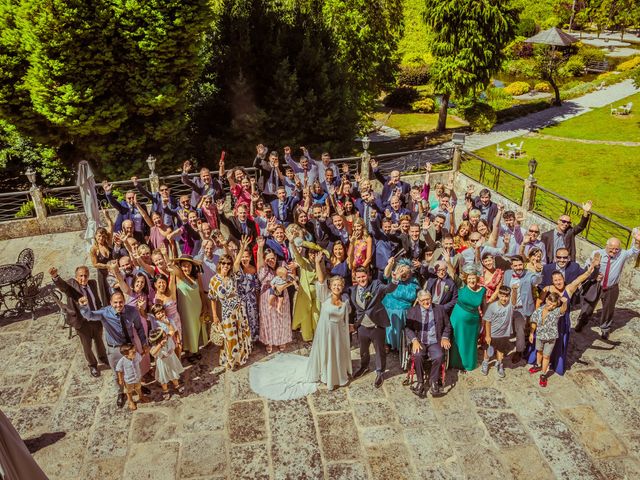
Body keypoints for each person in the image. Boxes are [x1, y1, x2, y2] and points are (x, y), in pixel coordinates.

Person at [79, 290, 148, 408]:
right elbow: (89, 316)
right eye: (115, 302)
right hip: (114, 349)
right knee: (117, 373)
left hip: (129, 347)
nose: (118, 305)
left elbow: (139, 328)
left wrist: (144, 343)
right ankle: (121, 393)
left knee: (134, 368)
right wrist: (84, 307)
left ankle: (137, 387)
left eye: (121, 302)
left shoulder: (132, 311)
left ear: (124, 302)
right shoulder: (105, 313)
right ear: (110, 303)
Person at [532, 257, 598, 375]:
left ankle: (554, 363)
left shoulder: (569, 288)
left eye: (560, 279)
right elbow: (538, 301)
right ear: (552, 281)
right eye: (555, 280)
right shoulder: (548, 289)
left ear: (563, 279)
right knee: (541, 345)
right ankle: (539, 363)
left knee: (558, 342)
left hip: (562, 321)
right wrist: (538, 316)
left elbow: (579, 279)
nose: (558, 282)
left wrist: (589, 270)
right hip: (547, 321)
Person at [575, 231, 640, 339]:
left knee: (608, 309)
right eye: (612, 248)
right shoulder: (597, 253)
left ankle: (605, 328)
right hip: (596, 285)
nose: (614, 251)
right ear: (606, 246)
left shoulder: (622, 254)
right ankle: (581, 322)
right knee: (588, 305)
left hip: (612, 287)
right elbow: (586, 268)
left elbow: (634, 251)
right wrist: (594, 276)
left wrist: (637, 240)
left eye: (617, 249)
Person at [50, 266, 108, 377]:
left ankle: (103, 358)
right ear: (76, 277)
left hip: (95, 318)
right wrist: (55, 277)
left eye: (85, 275)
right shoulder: (72, 286)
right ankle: (92, 365)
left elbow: (96, 299)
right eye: (81, 276)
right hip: (82, 322)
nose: (83, 278)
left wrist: (101, 313)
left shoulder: (93, 283)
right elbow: (63, 286)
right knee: (87, 346)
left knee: (99, 341)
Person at [350, 263, 400, 388]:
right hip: (362, 326)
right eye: (359, 277)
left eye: (363, 276)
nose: (362, 279)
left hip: (376, 325)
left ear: (368, 275)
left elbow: (388, 289)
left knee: (379, 351)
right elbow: (355, 309)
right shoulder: (353, 290)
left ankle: (380, 372)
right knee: (363, 350)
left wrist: (394, 280)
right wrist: (354, 324)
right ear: (355, 278)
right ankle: (364, 366)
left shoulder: (376, 285)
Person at [208, 246, 252, 369]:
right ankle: (230, 360)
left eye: (228, 263)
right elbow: (212, 299)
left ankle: (240, 358)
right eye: (224, 263)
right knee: (229, 337)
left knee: (240, 334)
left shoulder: (233, 276)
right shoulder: (214, 280)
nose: (226, 266)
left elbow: (237, 263)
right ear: (220, 264)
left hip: (239, 309)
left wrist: (242, 249)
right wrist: (215, 316)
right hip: (227, 313)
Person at [405, 290, 452, 397]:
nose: (426, 302)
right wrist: (414, 340)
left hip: (434, 341)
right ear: (418, 301)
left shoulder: (439, 309)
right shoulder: (412, 311)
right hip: (420, 341)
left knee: (439, 356)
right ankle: (420, 382)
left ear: (431, 298)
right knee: (417, 355)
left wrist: (445, 337)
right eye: (423, 300)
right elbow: (407, 328)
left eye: (428, 299)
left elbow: (448, 325)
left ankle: (433, 381)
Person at [502, 255, 542, 364]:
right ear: (512, 266)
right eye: (516, 265)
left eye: (520, 265)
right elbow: (504, 288)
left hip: (522, 309)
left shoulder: (529, 274)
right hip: (508, 307)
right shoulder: (507, 274)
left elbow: (536, 280)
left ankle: (519, 351)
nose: (519, 267)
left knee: (520, 330)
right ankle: (502, 348)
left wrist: (538, 271)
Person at [448, 265, 486, 372]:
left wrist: (483, 319)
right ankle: (454, 362)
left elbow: (484, 305)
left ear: (477, 279)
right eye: (469, 278)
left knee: (470, 342)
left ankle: (467, 363)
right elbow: (452, 274)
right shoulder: (462, 286)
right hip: (457, 318)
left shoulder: (482, 290)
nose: (471, 280)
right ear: (466, 279)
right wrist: (447, 261)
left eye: (473, 278)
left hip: (473, 321)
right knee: (457, 339)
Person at [171, 255, 209, 361]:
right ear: (180, 267)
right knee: (188, 329)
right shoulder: (178, 277)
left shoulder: (197, 276)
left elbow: (201, 292)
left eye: (188, 265)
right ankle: (188, 352)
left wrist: (205, 306)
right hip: (185, 309)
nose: (186, 268)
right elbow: (171, 265)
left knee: (196, 328)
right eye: (184, 266)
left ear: (192, 266)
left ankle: (195, 349)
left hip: (197, 307)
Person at [528, 293, 568, 388]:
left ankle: (543, 374)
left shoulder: (556, 312)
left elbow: (563, 309)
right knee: (539, 351)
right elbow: (534, 322)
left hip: (550, 338)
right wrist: (531, 333)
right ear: (546, 300)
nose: (551, 306)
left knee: (546, 356)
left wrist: (565, 302)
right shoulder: (538, 310)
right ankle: (538, 365)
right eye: (550, 303)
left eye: (554, 305)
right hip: (539, 336)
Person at [381, 259, 419, 356]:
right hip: (389, 303)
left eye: (406, 272)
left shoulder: (413, 282)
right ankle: (387, 343)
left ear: (410, 273)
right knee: (389, 312)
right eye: (401, 270)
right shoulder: (393, 277)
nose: (403, 274)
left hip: (404, 306)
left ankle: (399, 345)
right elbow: (386, 274)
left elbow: (412, 297)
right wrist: (390, 264)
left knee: (401, 313)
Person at [481, 285, 517, 378]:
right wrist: (488, 335)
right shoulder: (492, 307)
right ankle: (485, 363)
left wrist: (514, 290)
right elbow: (487, 322)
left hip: (504, 334)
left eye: (506, 296)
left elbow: (514, 300)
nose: (504, 298)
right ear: (498, 295)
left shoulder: (510, 305)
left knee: (501, 351)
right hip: (492, 334)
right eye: (502, 296)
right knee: (488, 351)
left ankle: (499, 364)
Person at [148, 328, 185, 400]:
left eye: (166, 336)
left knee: (174, 374)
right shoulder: (156, 347)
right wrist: (160, 345)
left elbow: (172, 330)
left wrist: (166, 322)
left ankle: (177, 386)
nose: (166, 337)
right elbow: (152, 353)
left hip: (171, 361)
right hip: (163, 364)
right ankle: (165, 390)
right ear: (158, 340)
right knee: (163, 378)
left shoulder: (168, 338)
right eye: (164, 337)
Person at [115, 343, 150, 410]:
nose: (135, 352)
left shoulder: (136, 355)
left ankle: (141, 396)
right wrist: (120, 379)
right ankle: (130, 400)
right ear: (126, 355)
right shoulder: (122, 361)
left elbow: (141, 357)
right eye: (132, 352)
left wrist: (145, 353)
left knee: (138, 388)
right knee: (129, 391)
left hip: (137, 378)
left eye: (135, 350)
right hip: (128, 380)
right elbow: (119, 370)